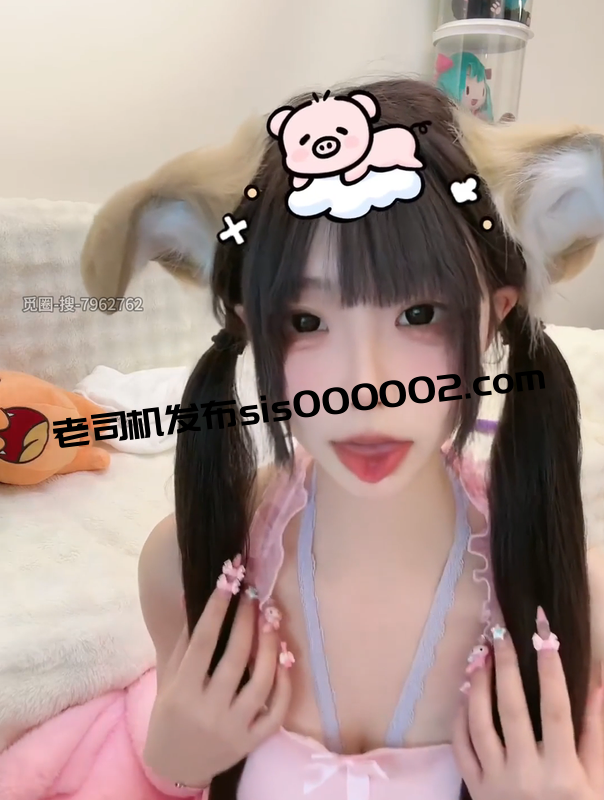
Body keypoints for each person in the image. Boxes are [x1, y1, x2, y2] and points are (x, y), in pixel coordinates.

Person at [82, 77, 604, 799]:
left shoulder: (573, 600)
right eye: (306, 322)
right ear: (249, 324)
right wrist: (173, 758)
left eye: (420, 314)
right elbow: (179, 771)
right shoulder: (182, 568)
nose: (366, 387)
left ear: (497, 312)